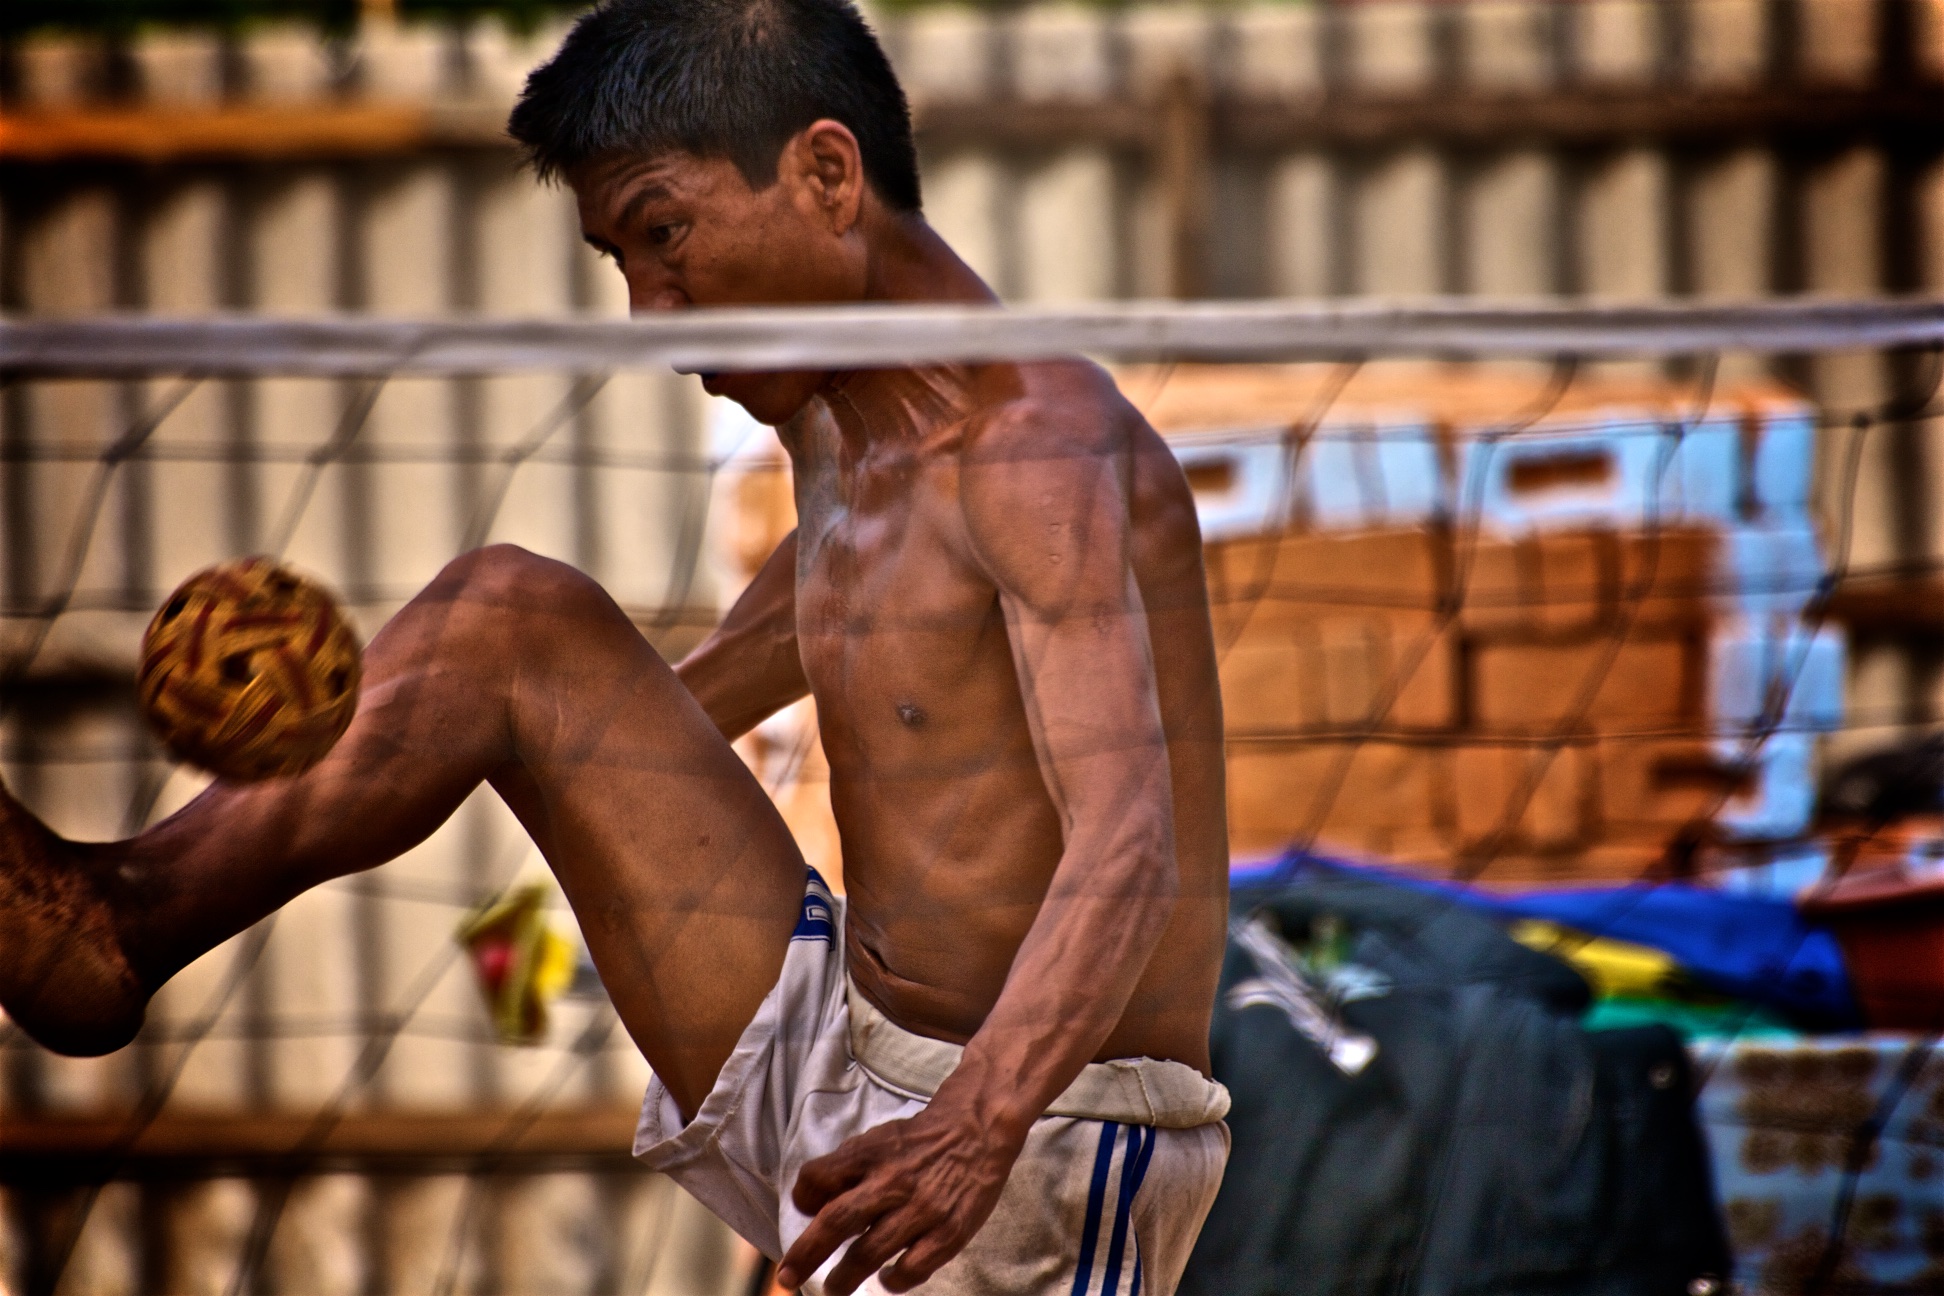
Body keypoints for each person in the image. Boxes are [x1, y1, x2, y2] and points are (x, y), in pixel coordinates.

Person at [0, 2, 1230, 1292]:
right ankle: (116, 922)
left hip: (1031, 1130)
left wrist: (975, 1128)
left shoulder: (1038, 445)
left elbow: (1127, 840)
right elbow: (756, 658)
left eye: (665, 233)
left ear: (825, 173)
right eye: (621, 261)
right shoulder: (841, 434)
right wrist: (526, 767)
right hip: (842, 1037)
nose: (651, 313)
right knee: (509, 624)